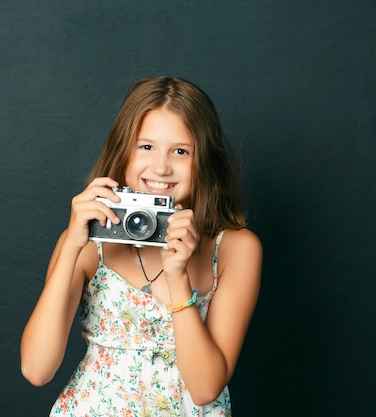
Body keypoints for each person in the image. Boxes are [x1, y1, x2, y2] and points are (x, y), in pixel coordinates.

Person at [20, 76, 262, 416]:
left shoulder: (236, 247)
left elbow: (206, 388)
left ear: (203, 160)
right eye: (146, 147)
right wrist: (71, 246)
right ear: (123, 151)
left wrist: (179, 275)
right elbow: (36, 369)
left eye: (181, 151)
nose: (161, 167)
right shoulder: (91, 241)